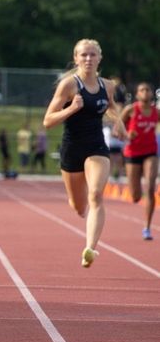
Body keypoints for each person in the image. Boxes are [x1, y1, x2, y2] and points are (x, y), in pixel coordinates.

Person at [43, 38, 126, 268]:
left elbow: (109, 106)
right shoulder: (69, 85)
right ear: (76, 58)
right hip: (72, 149)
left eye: (92, 55)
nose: (88, 59)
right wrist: (71, 108)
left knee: (96, 195)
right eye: (84, 55)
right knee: (79, 206)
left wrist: (118, 122)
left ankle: (90, 248)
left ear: (100, 58)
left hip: (96, 146)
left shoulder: (107, 85)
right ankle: (79, 206)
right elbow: (48, 121)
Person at [120, 82, 158, 241]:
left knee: (150, 187)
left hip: (150, 152)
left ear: (151, 93)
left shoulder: (157, 112)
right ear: (137, 94)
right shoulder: (130, 110)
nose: (145, 92)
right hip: (132, 153)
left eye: (147, 90)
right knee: (135, 196)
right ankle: (137, 194)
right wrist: (128, 135)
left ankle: (147, 228)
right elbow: (118, 129)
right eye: (141, 90)